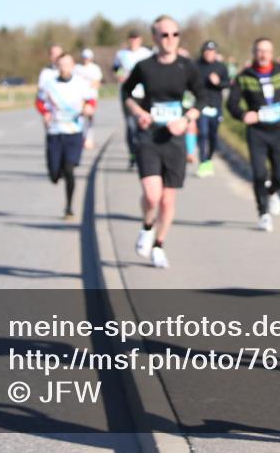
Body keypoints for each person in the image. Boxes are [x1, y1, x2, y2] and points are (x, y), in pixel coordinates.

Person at [121, 16, 204, 268]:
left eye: (175, 34)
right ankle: (147, 226)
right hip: (149, 137)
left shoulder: (187, 66)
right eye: (164, 35)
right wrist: (138, 113)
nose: (170, 39)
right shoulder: (145, 66)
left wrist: (186, 119)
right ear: (155, 38)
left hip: (175, 139)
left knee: (168, 201)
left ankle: (159, 245)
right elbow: (126, 92)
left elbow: (202, 99)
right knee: (151, 195)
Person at [226, 37, 280, 232]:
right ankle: (263, 214)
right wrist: (243, 114)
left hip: (278, 130)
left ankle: (272, 192)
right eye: (259, 51)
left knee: (279, 176)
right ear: (254, 53)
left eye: (267, 51)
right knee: (259, 174)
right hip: (256, 132)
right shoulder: (244, 76)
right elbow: (231, 104)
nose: (263, 54)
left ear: (272, 53)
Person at [35, 53, 97, 220]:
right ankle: (56, 172)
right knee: (55, 174)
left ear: (72, 66)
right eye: (61, 65)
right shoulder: (49, 84)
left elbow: (91, 100)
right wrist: (45, 113)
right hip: (55, 131)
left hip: (74, 132)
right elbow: (39, 101)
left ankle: (69, 207)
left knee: (69, 169)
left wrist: (89, 108)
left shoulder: (81, 83)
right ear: (57, 66)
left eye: (67, 64)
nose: (64, 68)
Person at [113, 31, 154, 169]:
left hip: (143, 94)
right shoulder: (121, 54)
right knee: (131, 125)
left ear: (140, 40)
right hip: (128, 94)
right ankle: (132, 154)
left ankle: (144, 151)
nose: (134, 41)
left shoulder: (146, 53)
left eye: (136, 39)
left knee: (143, 124)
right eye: (131, 39)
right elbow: (116, 68)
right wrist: (119, 75)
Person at [194, 40, 230, 177]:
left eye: (212, 51)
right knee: (202, 133)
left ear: (215, 53)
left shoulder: (221, 67)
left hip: (216, 106)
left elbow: (227, 84)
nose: (209, 54)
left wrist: (218, 82)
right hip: (201, 105)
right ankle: (203, 162)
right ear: (203, 52)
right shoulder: (196, 65)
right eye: (207, 51)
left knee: (213, 135)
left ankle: (208, 159)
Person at [74, 48, 103, 149]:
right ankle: (81, 138)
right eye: (84, 57)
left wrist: (89, 85)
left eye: (87, 58)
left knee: (90, 117)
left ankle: (89, 138)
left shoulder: (95, 68)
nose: (86, 59)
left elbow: (97, 82)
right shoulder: (77, 68)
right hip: (79, 97)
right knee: (80, 117)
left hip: (91, 96)